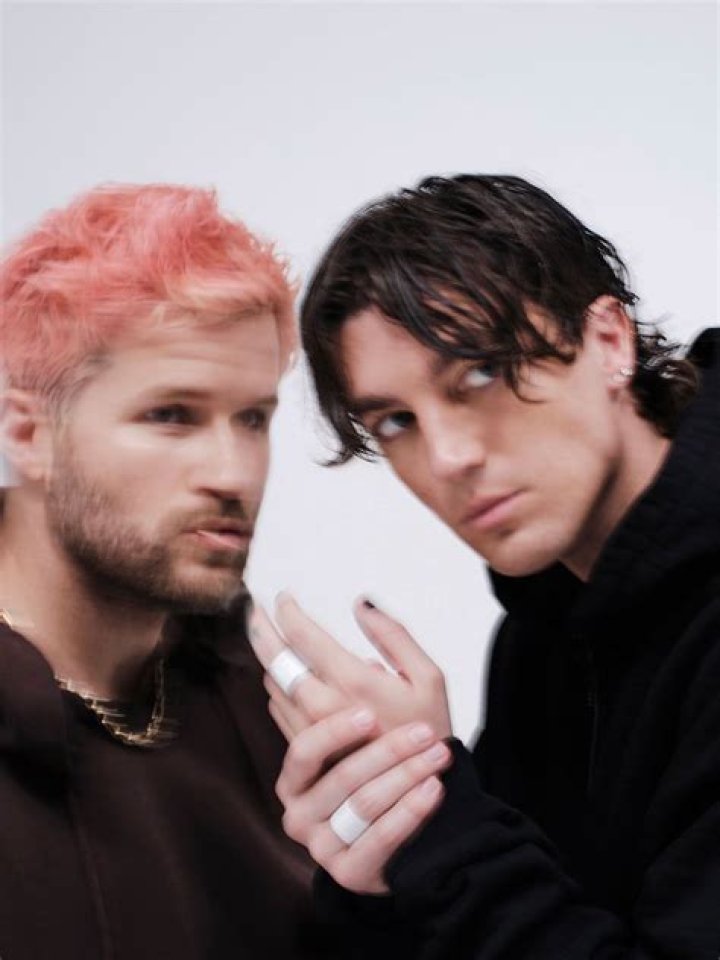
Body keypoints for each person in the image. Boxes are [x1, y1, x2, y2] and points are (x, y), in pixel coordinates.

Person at [249, 175, 720, 958]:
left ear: (609, 341)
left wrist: (438, 828)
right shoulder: (542, 636)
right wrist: (381, 866)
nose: (447, 458)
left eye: (478, 374)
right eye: (395, 421)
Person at [0, 183, 329, 959]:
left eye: (253, 418)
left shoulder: (275, 710)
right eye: (171, 415)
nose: (233, 473)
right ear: (29, 434)